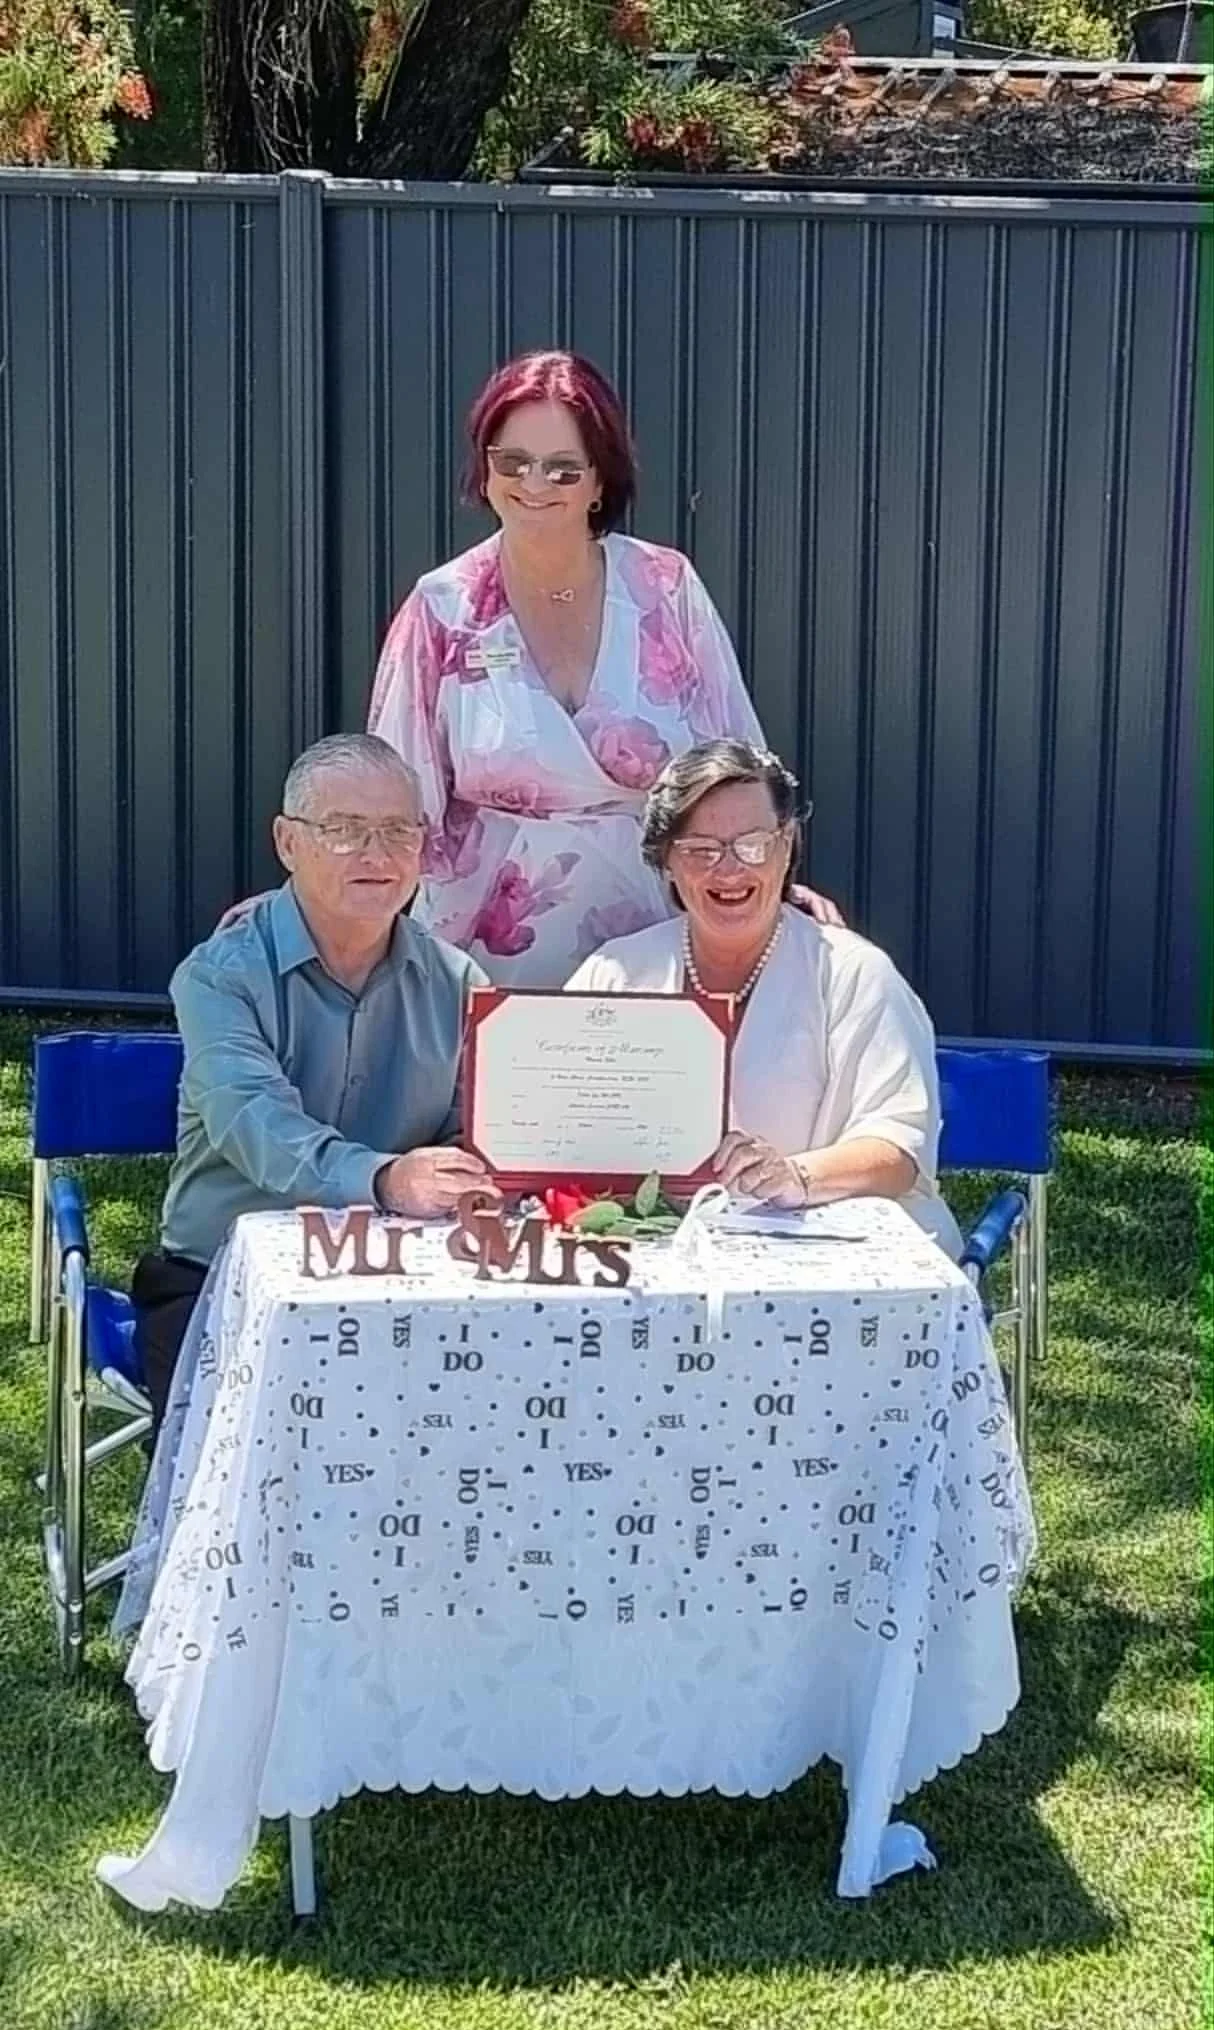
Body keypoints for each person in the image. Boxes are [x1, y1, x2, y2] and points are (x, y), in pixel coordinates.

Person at [366, 349, 841, 987]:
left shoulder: (665, 587)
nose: (534, 484)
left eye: (564, 469)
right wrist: (310, 903)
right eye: (514, 462)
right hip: (480, 957)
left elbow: (737, 768)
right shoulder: (442, 607)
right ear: (485, 468)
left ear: (599, 481)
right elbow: (390, 798)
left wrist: (771, 886)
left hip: (653, 942)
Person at [131, 733, 496, 1432]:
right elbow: (255, 1125)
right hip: (223, 1276)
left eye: (398, 830)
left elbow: (475, 1129)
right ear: (287, 842)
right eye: (343, 830)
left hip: (408, 1276)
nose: (377, 854)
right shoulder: (220, 975)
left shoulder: (459, 981)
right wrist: (387, 1178)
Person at [567, 738, 962, 1255]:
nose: (730, 870)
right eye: (701, 851)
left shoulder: (855, 973)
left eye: (753, 843)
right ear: (666, 862)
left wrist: (794, 1176)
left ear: (788, 844)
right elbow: (561, 1123)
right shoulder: (613, 971)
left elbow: (898, 1150)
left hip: (832, 1254)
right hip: (653, 1257)